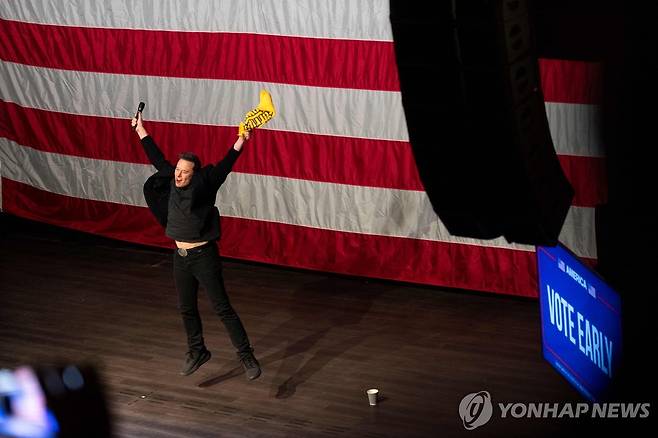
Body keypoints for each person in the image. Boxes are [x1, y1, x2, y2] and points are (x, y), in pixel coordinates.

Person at [131, 112, 261, 380]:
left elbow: (225, 166)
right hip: (180, 256)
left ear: (195, 174)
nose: (178, 175)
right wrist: (140, 129)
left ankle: (246, 355)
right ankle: (197, 351)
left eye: (184, 172)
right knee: (186, 307)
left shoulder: (204, 184)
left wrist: (240, 141)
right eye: (177, 170)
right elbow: (156, 158)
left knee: (222, 308)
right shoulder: (171, 178)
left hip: (203, 255)